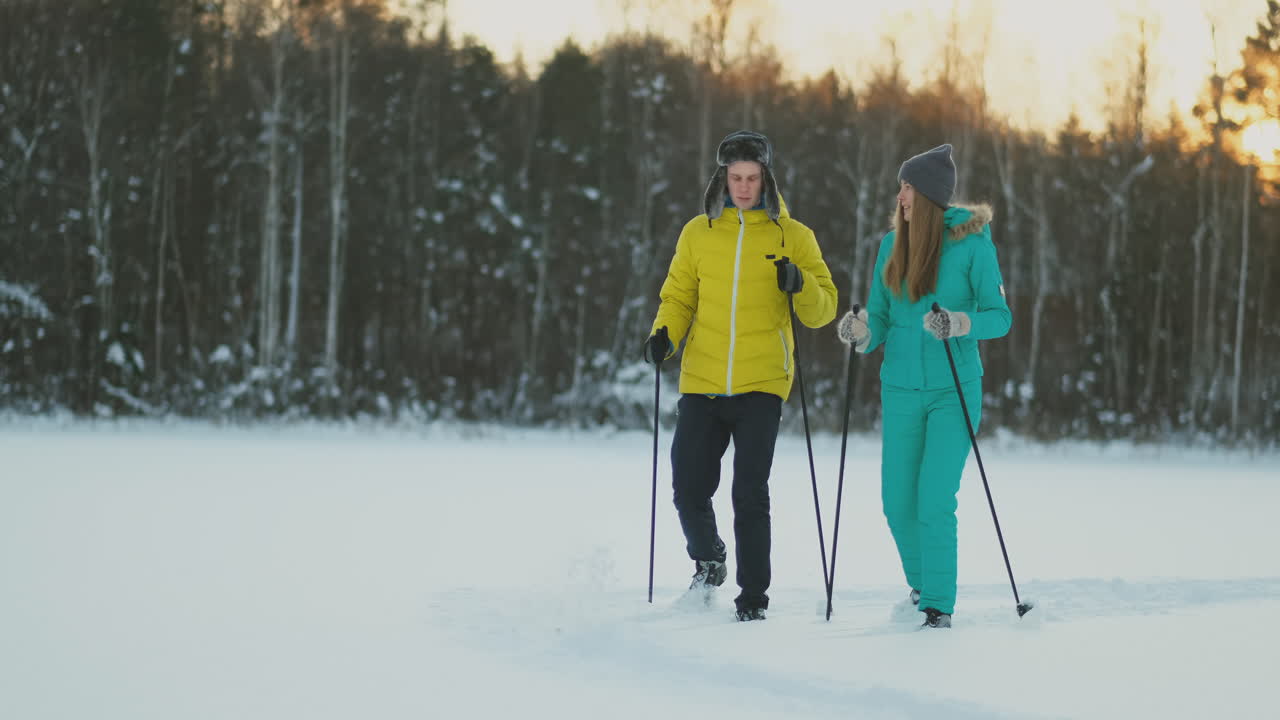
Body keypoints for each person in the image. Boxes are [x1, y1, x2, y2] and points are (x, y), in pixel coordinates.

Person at [643, 130, 838, 621]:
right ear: (722, 179)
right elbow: (678, 296)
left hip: (762, 383)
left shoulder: (793, 236)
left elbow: (823, 310)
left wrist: (800, 283)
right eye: (736, 178)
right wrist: (664, 334)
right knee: (688, 486)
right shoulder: (698, 233)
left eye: (753, 178)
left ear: (766, 178)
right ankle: (709, 560)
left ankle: (753, 597)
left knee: (749, 493)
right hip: (702, 380)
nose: (745, 187)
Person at [836, 143, 1010, 629]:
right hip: (900, 389)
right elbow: (880, 318)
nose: (901, 196)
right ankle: (921, 585)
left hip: (954, 390)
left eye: (908, 187)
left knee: (934, 498)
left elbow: (1000, 317)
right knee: (897, 503)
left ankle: (937, 605)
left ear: (930, 195)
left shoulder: (972, 245)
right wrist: (861, 332)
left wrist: (959, 323)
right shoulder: (892, 246)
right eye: (901, 187)